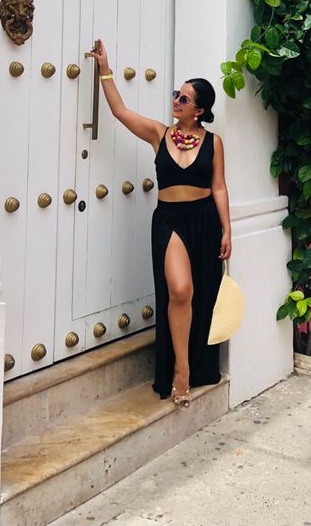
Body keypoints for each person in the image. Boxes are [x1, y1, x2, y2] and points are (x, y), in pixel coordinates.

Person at [86, 39, 231, 407]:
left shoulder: (214, 143)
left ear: (198, 111)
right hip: (168, 221)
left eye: (184, 99)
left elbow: (218, 187)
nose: (176, 101)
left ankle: (194, 367)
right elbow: (119, 111)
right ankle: (180, 370)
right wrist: (105, 68)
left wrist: (228, 229)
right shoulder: (159, 134)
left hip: (204, 221)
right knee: (180, 290)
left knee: (200, 297)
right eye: (175, 94)